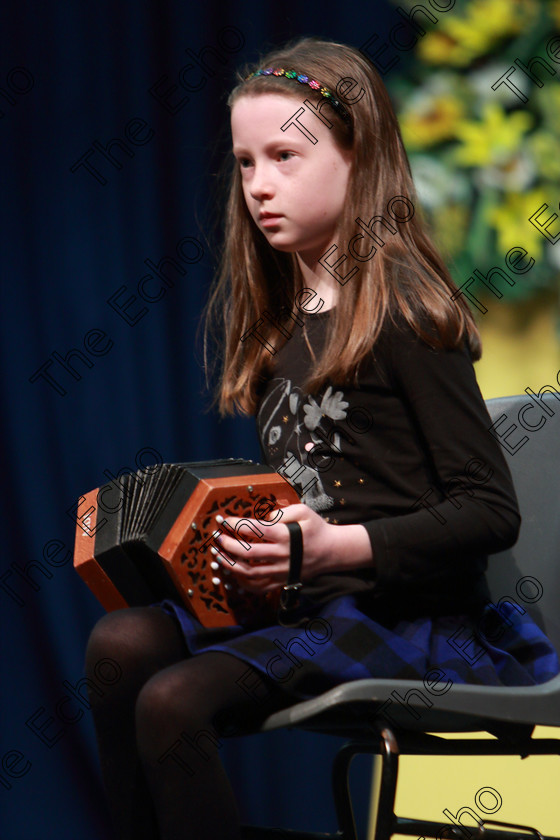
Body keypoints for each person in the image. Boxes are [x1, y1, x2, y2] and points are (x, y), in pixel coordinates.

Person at [84, 36, 559, 840]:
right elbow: (309, 496)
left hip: (411, 620)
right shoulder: (277, 327)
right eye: (244, 163)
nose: (259, 185)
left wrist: (335, 550)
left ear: (358, 158)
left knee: (173, 699)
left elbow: (489, 511)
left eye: (285, 157)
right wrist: (252, 554)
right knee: (119, 643)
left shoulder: (407, 316)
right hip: (311, 605)